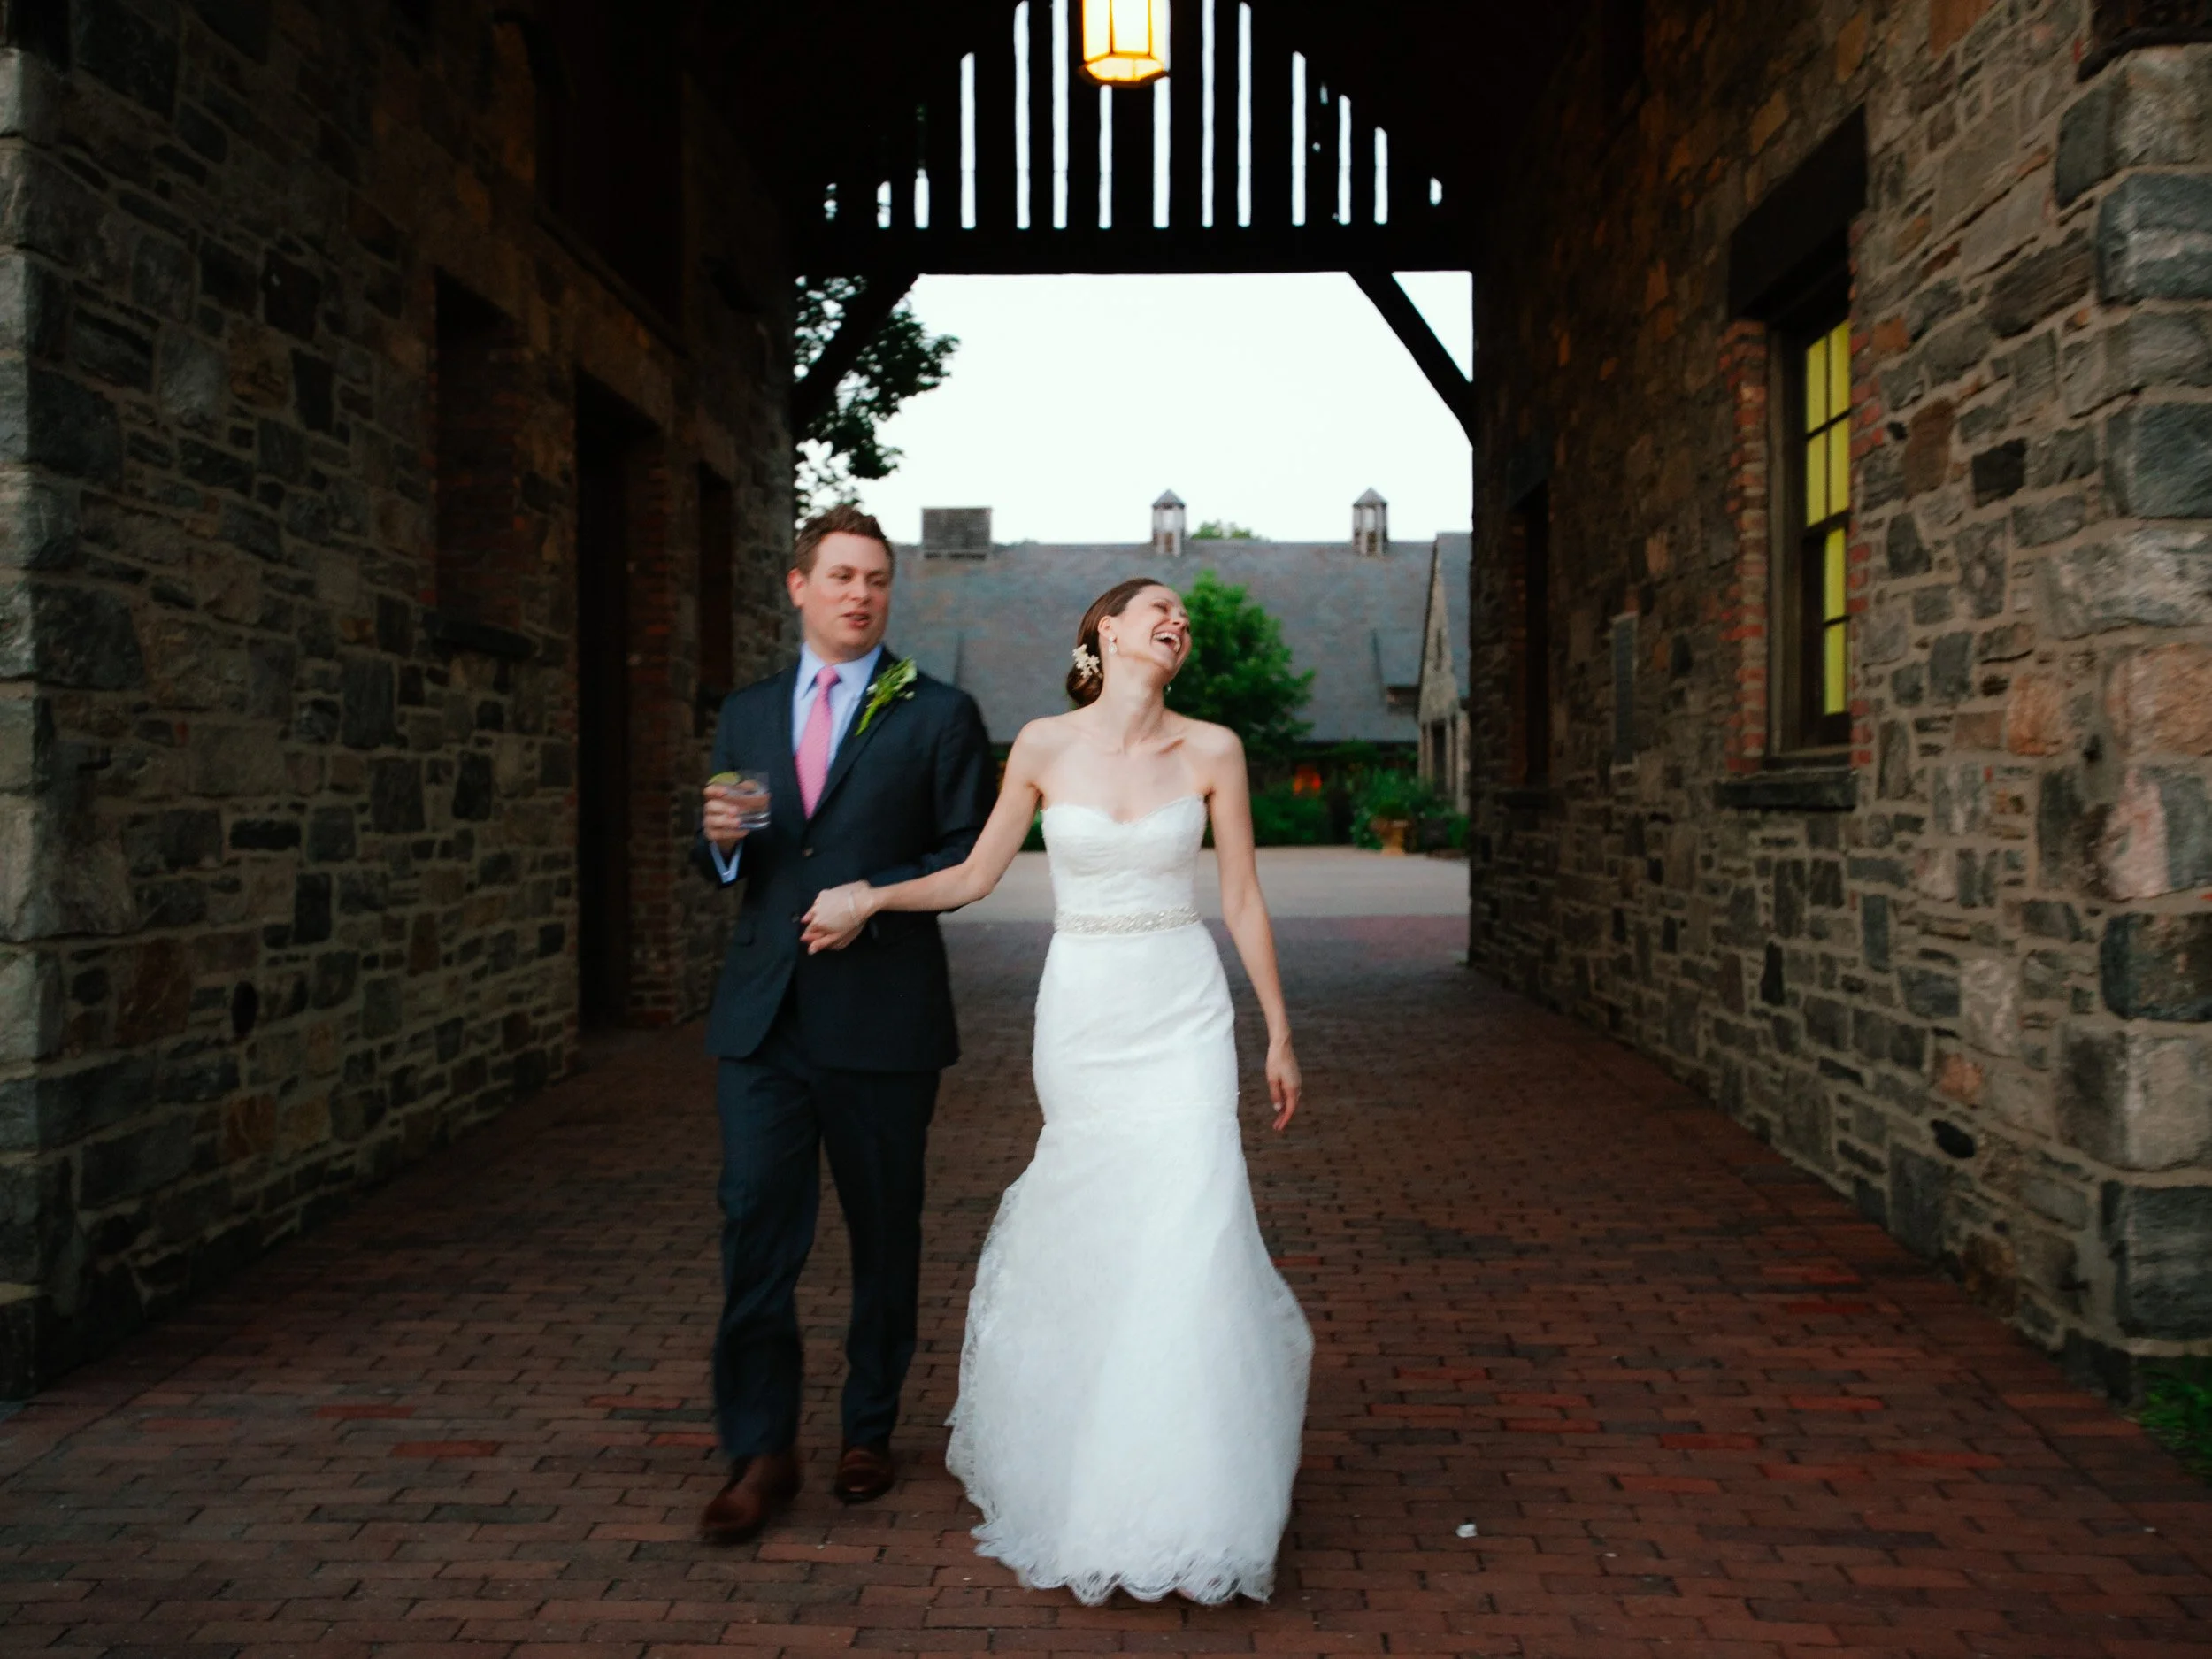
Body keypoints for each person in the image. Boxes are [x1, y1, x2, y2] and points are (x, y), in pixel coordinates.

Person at [802, 576, 1312, 1605]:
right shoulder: (1041, 744)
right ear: (1105, 631)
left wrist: (1279, 1031)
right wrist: (872, 896)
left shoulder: (1213, 749)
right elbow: (974, 874)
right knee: (1104, 1228)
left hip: (1183, 1009)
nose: (1177, 622)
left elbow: (1242, 896)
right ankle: (1087, 1462)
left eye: (1186, 619)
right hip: (1084, 1013)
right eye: (1157, 608)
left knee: (1192, 1225)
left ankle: (1190, 1495)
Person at [692, 503, 995, 1544]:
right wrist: (720, 840)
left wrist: (872, 892)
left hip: (882, 1017)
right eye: (840, 576)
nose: (859, 594)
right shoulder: (745, 712)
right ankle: (759, 1449)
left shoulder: (938, 714)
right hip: (764, 1018)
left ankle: (868, 1426)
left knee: (883, 1233)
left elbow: (963, 858)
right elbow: (730, 854)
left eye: (875, 579)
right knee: (754, 1231)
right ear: (799, 587)